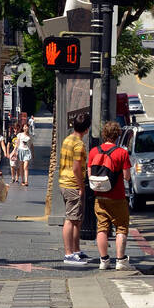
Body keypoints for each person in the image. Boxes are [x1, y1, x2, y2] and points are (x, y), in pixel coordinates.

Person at [88, 121, 133, 271]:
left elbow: (90, 174)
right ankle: (120, 261)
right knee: (121, 227)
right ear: (117, 135)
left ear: (104, 134)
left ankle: (104, 261)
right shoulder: (122, 153)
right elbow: (126, 176)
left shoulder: (94, 151)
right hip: (117, 196)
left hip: (99, 196)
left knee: (102, 228)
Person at [60, 111, 90, 265]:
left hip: (64, 182)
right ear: (87, 129)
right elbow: (77, 168)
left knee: (76, 218)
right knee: (71, 219)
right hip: (72, 184)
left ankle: (76, 250)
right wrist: (81, 186)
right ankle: (68, 253)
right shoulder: (79, 145)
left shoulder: (67, 140)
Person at [14, 122, 33, 187]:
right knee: (21, 166)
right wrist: (14, 151)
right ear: (23, 128)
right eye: (24, 126)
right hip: (20, 151)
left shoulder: (30, 136)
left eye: (27, 126)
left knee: (25, 166)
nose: (26, 128)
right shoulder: (20, 135)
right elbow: (17, 143)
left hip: (27, 152)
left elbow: (31, 145)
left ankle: (26, 181)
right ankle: (22, 180)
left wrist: (33, 153)